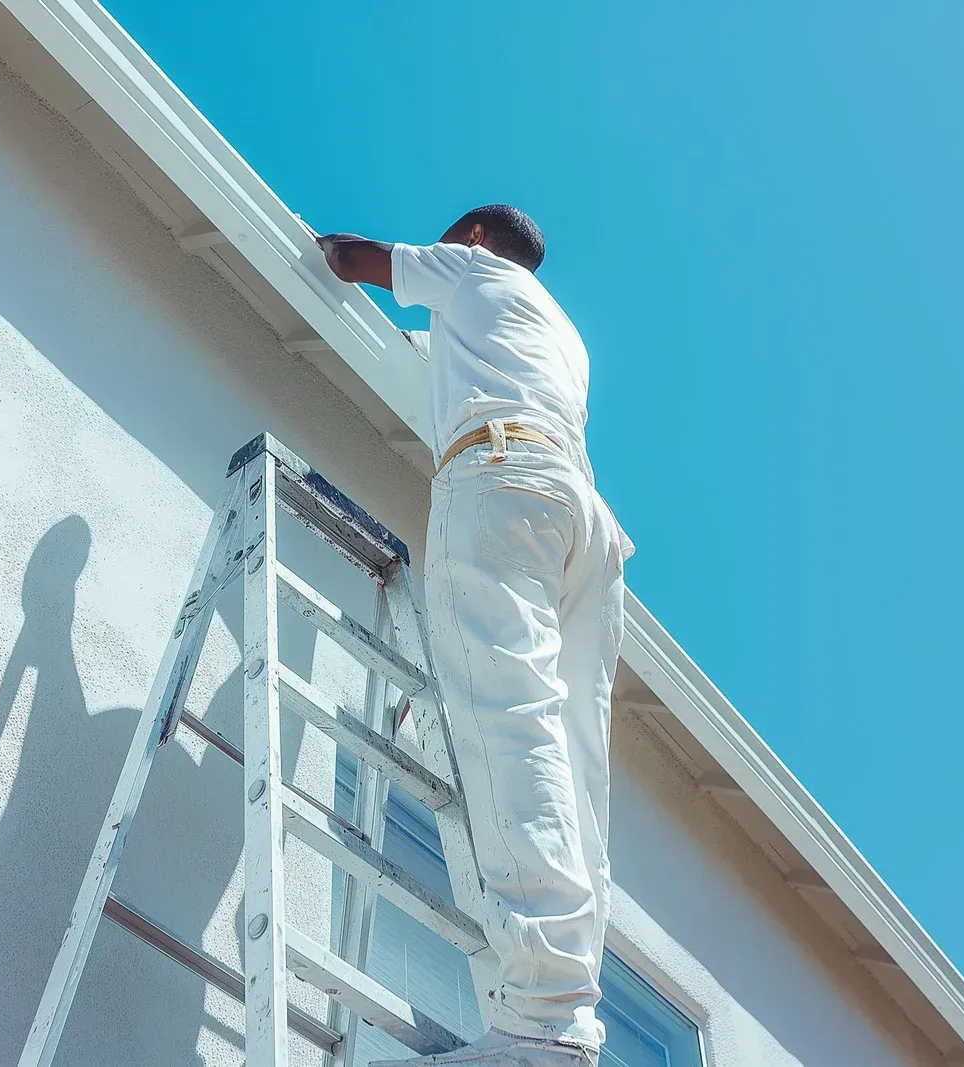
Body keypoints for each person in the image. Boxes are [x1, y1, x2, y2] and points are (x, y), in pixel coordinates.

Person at [318, 206, 633, 1067]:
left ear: (478, 240)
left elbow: (352, 259)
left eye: (452, 236)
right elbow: (435, 362)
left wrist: (332, 245)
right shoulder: (559, 336)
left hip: (502, 477)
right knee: (566, 759)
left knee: (508, 718)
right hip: (584, 523)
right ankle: (564, 1004)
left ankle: (542, 1022)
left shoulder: (475, 273)